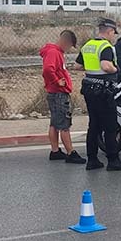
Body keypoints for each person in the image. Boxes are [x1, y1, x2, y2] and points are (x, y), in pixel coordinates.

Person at [74, 18, 121, 171]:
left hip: (89, 90)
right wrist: (116, 69)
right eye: (113, 33)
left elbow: (77, 66)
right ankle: (113, 161)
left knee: (94, 125)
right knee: (110, 126)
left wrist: (92, 69)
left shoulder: (88, 46)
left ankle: (92, 160)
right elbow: (106, 66)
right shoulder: (106, 47)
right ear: (109, 31)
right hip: (104, 91)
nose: (114, 37)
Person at [40, 30, 87, 164]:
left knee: (55, 123)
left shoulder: (54, 52)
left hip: (55, 93)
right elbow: (48, 69)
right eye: (69, 46)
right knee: (64, 124)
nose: (68, 49)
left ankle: (55, 151)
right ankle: (70, 152)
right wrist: (57, 81)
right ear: (65, 42)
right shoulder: (54, 53)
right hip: (58, 93)